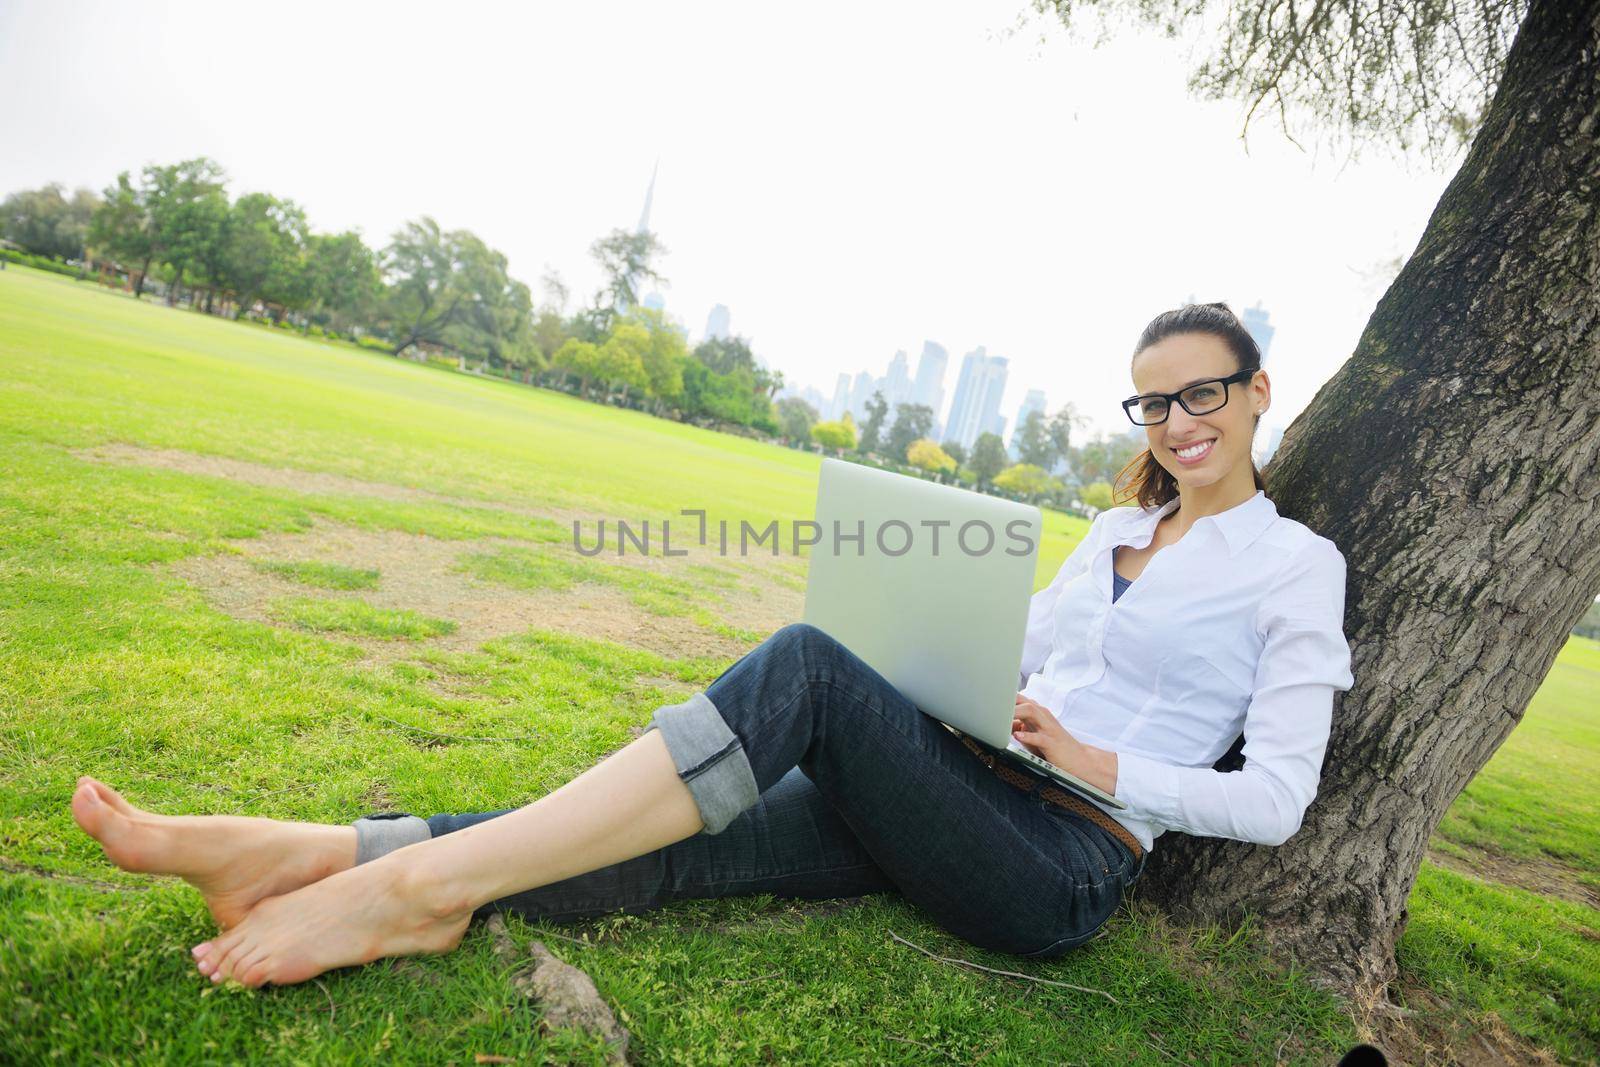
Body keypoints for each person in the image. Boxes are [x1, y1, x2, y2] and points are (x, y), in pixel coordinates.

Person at [70, 302, 1354, 989]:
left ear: (1254, 392)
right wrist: (958, 667)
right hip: (961, 786)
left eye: (1202, 391)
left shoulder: (1297, 568)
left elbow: (1281, 801)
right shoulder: (1113, 525)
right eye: (1153, 397)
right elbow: (1020, 652)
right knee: (673, 841)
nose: (1177, 419)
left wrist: (1098, 757)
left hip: (1061, 857)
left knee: (798, 664)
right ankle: (302, 855)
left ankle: (398, 893)